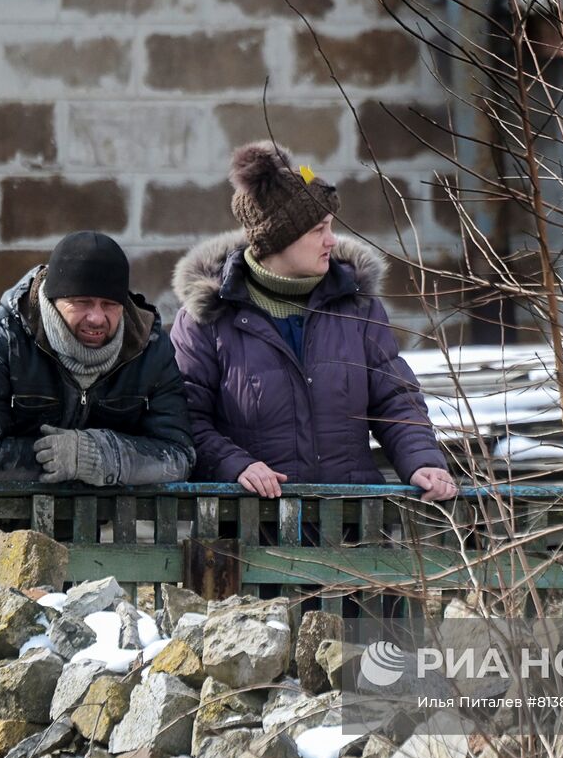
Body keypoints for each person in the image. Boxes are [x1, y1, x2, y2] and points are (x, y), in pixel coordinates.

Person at [169, 141, 456, 502]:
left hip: (350, 528)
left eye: (330, 226)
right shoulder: (207, 319)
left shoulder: (357, 307)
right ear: (278, 238)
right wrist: (235, 465)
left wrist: (422, 461)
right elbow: (185, 417)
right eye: (318, 229)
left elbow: (395, 399)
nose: (331, 240)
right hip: (254, 527)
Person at [0, 231, 195, 558]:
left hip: (64, 536)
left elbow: (178, 455)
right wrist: (54, 456)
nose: (97, 318)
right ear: (54, 300)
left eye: (110, 305)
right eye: (82, 303)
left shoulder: (150, 351)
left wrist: (98, 455)